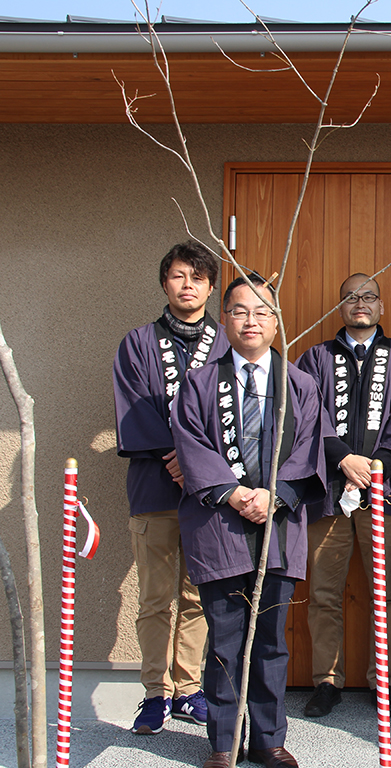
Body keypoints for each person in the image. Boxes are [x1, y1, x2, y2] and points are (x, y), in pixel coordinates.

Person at [170, 274, 328, 768]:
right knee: (224, 639)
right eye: (240, 311)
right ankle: (222, 743)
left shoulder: (299, 384)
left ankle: (267, 739)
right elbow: (191, 445)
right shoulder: (198, 383)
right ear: (224, 319)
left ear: (277, 322)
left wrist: (274, 495)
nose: (251, 320)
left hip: (277, 526)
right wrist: (236, 493)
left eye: (262, 311)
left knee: (270, 642)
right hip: (219, 524)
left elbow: (309, 451)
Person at [297, 272, 391, 720]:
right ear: (340, 307)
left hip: (385, 492)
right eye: (351, 297)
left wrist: (374, 470)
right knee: (323, 593)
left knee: (387, 594)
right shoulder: (314, 358)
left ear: (381, 307)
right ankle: (326, 682)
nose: (360, 303)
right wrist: (343, 460)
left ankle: (384, 683)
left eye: (369, 296)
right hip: (327, 492)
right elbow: (303, 418)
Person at [113, 240, 229, 735]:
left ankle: (189, 689)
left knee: (198, 595)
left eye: (198, 278)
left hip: (206, 494)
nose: (188, 286)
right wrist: (180, 459)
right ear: (165, 282)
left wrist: (199, 465)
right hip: (155, 489)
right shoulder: (137, 343)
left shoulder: (227, 343)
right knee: (155, 597)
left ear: (210, 287)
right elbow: (135, 408)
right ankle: (155, 694)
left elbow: (232, 416)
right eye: (179, 276)